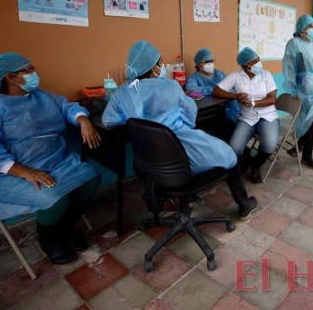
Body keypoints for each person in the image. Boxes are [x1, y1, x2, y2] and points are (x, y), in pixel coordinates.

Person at [102, 41, 257, 220]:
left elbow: (109, 120)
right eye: (160, 63)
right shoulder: (171, 87)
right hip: (179, 153)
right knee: (229, 154)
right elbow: (190, 117)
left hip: (149, 165)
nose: (161, 67)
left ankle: (183, 202)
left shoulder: (122, 93)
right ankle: (244, 204)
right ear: (153, 67)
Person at [0, 53, 101, 266]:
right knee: (56, 197)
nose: (34, 74)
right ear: (10, 77)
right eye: (27, 70)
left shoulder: (42, 96)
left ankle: (66, 228)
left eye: (33, 68)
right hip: (11, 173)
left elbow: (68, 107)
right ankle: (50, 240)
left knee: (91, 179)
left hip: (56, 161)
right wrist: (25, 172)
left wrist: (83, 120)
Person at [212, 48, 279, 183]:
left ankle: (256, 166)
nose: (258, 63)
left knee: (270, 145)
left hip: (268, 115)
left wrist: (253, 103)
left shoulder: (266, 75)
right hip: (247, 117)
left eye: (258, 60)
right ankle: (246, 162)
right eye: (254, 62)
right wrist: (235, 95)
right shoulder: (236, 76)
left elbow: (272, 99)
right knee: (234, 148)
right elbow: (216, 91)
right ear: (245, 65)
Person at [282, 14, 313, 169]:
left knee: (311, 122)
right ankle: (299, 146)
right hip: (304, 91)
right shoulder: (294, 44)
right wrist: (293, 88)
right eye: (311, 26)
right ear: (302, 27)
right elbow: (290, 68)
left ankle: (306, 156)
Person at [185, 47, 240, 122]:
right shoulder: (194, 78)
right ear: (199, 64)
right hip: (210, 111)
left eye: (212, 61)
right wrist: (215, 91)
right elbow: (190, 88)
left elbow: (231, 90)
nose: (210, 64)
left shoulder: (220, 74)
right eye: (207, 61)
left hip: (228, 107)